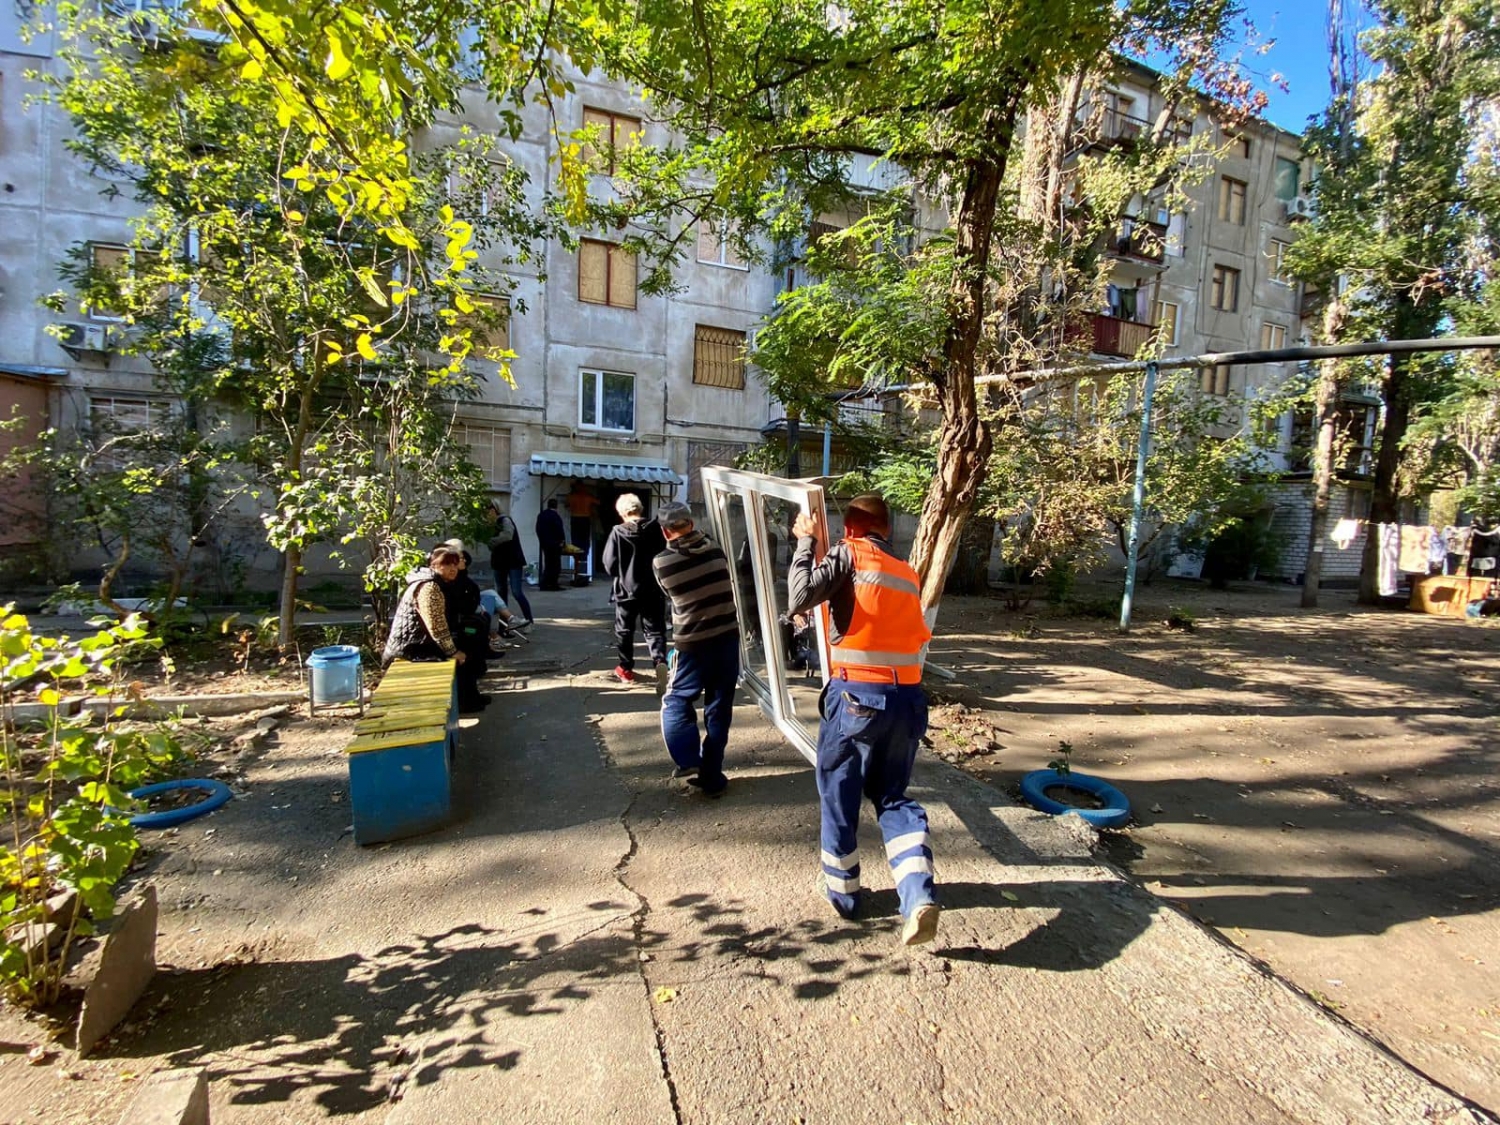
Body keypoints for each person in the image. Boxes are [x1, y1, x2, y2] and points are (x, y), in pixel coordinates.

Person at [787, 494, 939, 948]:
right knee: (893, 797)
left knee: (839, 793)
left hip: (858, 700)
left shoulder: (848, 553)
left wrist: (804, 542)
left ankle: (845, 896)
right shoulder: (906, 572)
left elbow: (798, 596)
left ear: (849, 530)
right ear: (887, 531)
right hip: (908, 699)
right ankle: (917, 897)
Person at [652, 501, 739, 797]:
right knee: (718, 707)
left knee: (676, 700)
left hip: (692, 643)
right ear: (691, 523)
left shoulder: (663, 561)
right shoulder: (716, 550)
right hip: (727, 638)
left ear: (665, 531)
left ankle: (689, 760)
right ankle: (712, 776)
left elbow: (668, 595)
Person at [382, 545, 489, 712]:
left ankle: (469, 698)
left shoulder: (437, 583)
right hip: (412, 649)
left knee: (470, 639)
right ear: (433, 566)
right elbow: (436, 627)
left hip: (420, 644)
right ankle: (465, 702)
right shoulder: (429, 588)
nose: (452, 568)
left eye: (455, 564)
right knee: (463, 653)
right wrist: (453, 652)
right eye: (446, 564)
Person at [601, 493, 669, 689]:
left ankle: (626, 668)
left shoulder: (617, 532)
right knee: (655, 629)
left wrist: (621, 573)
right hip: (654, 589)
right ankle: (659, 662)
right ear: (640, 509)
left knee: (624, 630)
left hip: (626, 590)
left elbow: (609, 564)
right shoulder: (657, 529)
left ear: (622, 513)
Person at [488, 501, 534, 625]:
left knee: (516, 592)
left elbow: (508, 535)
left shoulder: (504, 520)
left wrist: (492, 540)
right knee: (501, 595)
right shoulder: (489, 525)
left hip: (512, 560)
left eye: (488, 510)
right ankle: (504, 625)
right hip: (499, 562)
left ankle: (529, 621)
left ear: (494, 509)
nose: (487, 513)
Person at [536, 498, 567, 590]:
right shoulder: (555, 516)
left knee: (548, 564)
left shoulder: (541, 515)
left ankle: (544, 584)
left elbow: (538, 529)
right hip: (555, 544)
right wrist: (562, 541)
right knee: (555, 565)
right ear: (556, 506)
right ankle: (553, 584)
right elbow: (559, 530)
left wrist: (542, 540)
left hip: (545, 544)